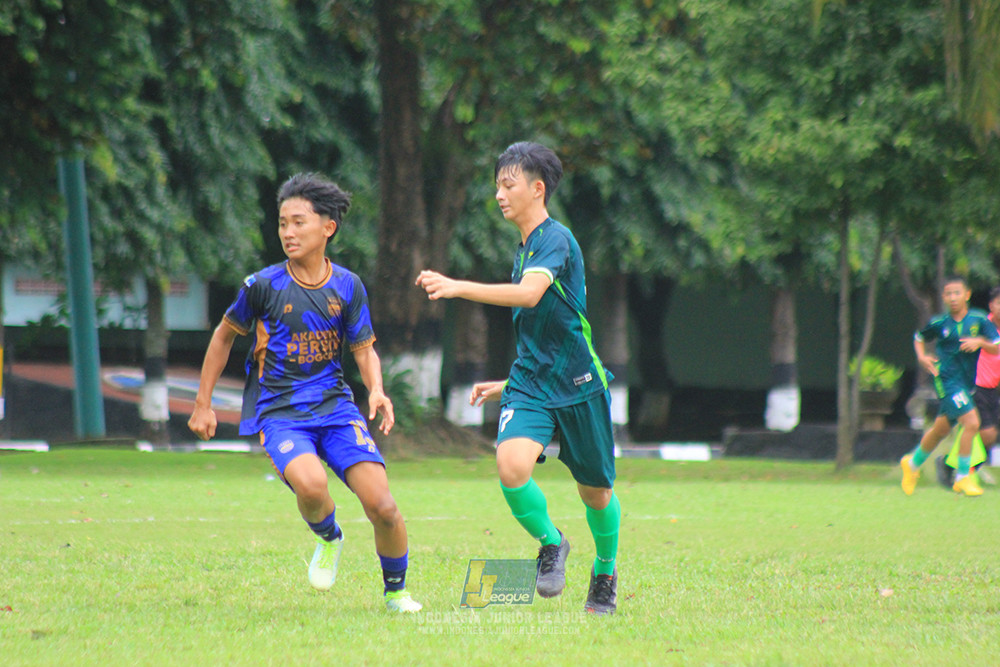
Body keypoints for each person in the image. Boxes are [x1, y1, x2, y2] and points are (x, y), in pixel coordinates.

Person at [188, 173, 421, 613]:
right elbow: (223, 337)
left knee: (384, 506)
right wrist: (203, 403)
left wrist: (376, 390)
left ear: (327, 227)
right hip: (279, 413)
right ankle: (330, 537)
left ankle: (396, 593)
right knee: (312, 487)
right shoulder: (262, 286)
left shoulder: (348, 286)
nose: (288, 233)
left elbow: (363, 346)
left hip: (335, 409)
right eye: (282, 224)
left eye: (298, 223)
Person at [415, 141, 621, 615]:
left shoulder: (555, 239)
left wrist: (456, 286)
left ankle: (605, 572)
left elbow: (530, 297)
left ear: (538, 188)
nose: (500, 196)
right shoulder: (526, 247)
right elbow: (540, 333)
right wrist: (508, 384)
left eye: (508, 185)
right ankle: (553, 544)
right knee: (511, 466)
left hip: (579, 386)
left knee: (597, 493)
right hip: (531, 384)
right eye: (497, 187)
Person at [901, 276, 1000, 496]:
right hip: (946, 380)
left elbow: (996, 346)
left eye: (957, 293)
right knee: (972, 422)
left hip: (967, 384)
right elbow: (919, 337)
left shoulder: (979, 320)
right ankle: (962, 477)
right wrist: (922, 357)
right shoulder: (939, 323)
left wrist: (980, 342)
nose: (953, 298)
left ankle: (912, 464)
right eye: (949, 294)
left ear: (967, 294)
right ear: (944, 297)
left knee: (940, 430)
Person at [935, 286, 1000, 488]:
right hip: (976, 385)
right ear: (991, 305)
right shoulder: (979, 325)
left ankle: (952, 466)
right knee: (986, 433)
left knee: (987, 437)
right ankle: (960, 471)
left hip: (993, 388)